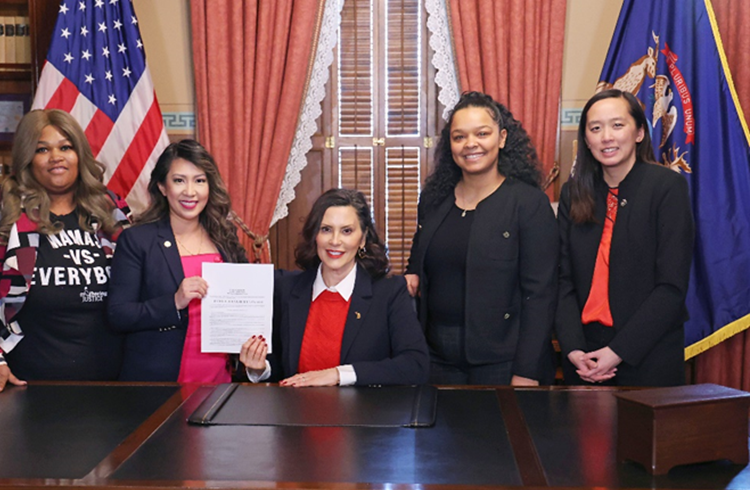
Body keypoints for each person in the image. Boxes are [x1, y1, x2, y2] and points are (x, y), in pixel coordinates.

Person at [0, 109, 130, 394]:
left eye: (66, 147)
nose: (56, 157)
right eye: (42, 149)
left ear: (79, 154)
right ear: (28, 158)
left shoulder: (108, 206)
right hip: (26, 377)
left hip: (110, 377)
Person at [404, 91, 559, 386]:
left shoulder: (528, 204)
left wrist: (526, 371)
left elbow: (540, 295)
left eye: (482, 133)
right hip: (436, 358)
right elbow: (420, 254)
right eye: (459, 137)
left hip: (504, 361)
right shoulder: (434, 201)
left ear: (501, 138)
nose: (470, 144)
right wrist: (413, 272)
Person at [555, 89, 693, 386]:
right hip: (584, 359)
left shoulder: (667, 187)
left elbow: (671, 287)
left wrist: (618, 351)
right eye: (596, 128)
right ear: (586, 139)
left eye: (617, 125)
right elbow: (562, 280)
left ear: (639, 132)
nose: (606, 136)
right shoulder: (573, 193)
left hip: (647, 354)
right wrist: (574, 348)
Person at [241, 189, 429, 387]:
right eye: (326, 229)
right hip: (296, 414)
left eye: (346, 231)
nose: (335, 241)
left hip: (364, 414)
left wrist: (338, 374)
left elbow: (415, 366)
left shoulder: (389, 292)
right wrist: (260, 369)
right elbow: (280, 365)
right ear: (315, 235)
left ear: (363, 239)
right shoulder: (287, 288)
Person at [107, 140, 248, 383]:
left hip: (219, 379)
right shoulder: (137, 240)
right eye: (179, 180)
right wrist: (174, 302)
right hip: (157, 384)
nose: (190, 192)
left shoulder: (226, 237)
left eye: (199, 180)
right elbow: (119, 315)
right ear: (162, 186)